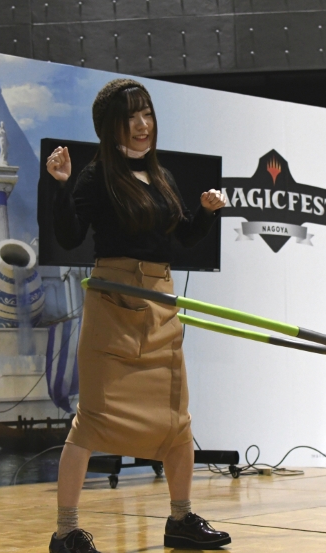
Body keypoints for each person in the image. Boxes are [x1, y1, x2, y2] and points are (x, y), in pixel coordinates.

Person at [45, 79, 229, 553]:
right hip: (114, 303)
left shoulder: (161, 176)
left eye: (147, 114)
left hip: (160, 303)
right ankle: (65, 532)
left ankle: (181, 520)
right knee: (91, 420)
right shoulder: (96, 177)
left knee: (177, 420)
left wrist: (206, 213)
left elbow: (180, 238)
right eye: (131, 117)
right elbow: (69, 236)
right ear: (111, 126)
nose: (143, 124)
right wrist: (60, 185)